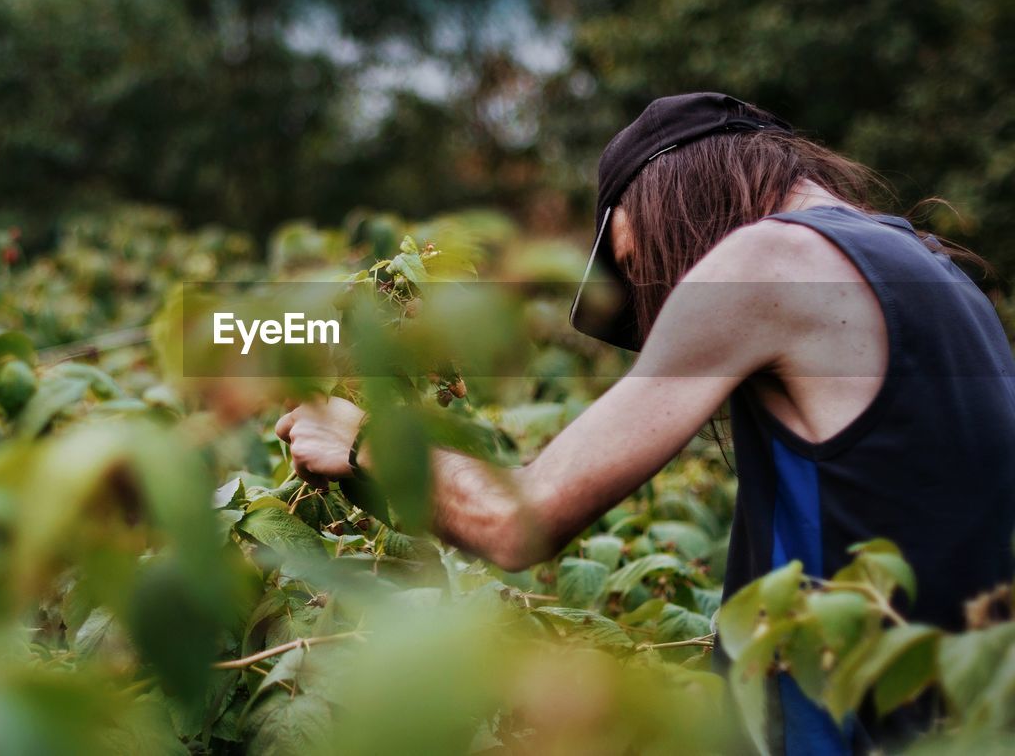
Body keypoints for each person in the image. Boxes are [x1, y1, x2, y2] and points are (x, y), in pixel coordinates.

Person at [273, 92, 1015, 753]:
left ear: (681, 200)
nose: (662, 295)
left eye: (645, 259)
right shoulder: (935, 272)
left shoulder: (767, 258)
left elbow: (517, 522)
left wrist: (361, 440)